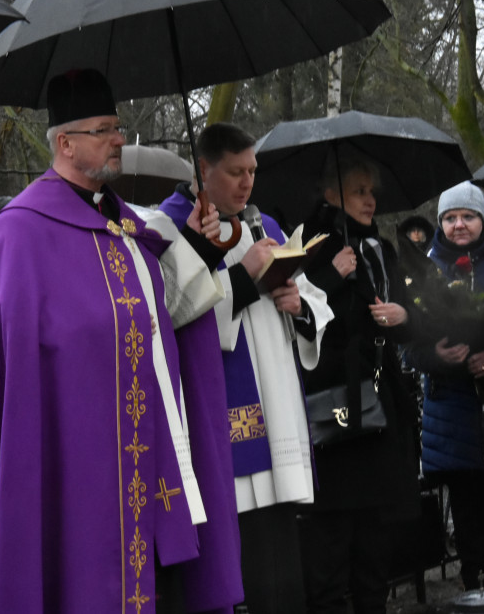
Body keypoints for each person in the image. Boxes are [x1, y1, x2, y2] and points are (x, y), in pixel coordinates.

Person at [0, 69, 243, 614]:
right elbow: (19, 371)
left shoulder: (128, 227)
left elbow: (163, 313)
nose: (119, 139)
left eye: (117, 127)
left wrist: (198, 247)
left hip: (145, 459)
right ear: (65, 143)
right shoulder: (20, 233)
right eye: (104, 130)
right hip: (75, 464)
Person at [158, 122, 333, 614]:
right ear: (202, 170)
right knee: (246, 558)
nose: (247, 183)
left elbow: (317, 306)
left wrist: (299, 304)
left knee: (281, 557)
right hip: (224, 409)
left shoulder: (266, 226)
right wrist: (243, 275)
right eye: (235, 172)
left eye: (252, 171)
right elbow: (175, 317)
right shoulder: (175, 227)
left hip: (277, 405)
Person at [297, 156, 420, 614]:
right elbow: (301, 320)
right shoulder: (311, 243)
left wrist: (402, 316)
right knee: (333, 531)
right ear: (331, 195)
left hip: (380, 403)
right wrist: (333, 276)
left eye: (373, 191)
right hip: (334, 402)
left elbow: (406, 317)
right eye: (358, 191)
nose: (370, 200)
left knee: (375, 536)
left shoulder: (380, 249)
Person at [410, 181, 484, 596]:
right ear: (440, 222)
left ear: (483, 219)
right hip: (453, 408)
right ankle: (474, 581)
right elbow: (409, 345)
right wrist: (438, 354)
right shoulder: (425, 266)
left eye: (468, 216)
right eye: (450, 218)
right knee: (467, 504)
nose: (459, 225)